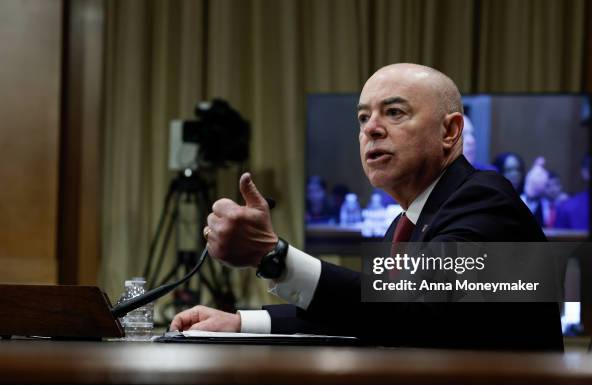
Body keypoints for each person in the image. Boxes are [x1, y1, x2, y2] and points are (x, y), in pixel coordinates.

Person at [170, 63, 563, 350]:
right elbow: (363, 313)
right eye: (363, 117)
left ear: (450, 131)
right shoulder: (404, 225)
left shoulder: (486, 200)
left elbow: (417, 313)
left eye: (394, 112)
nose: (370, 128)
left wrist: (272, 256)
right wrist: (239, 323)